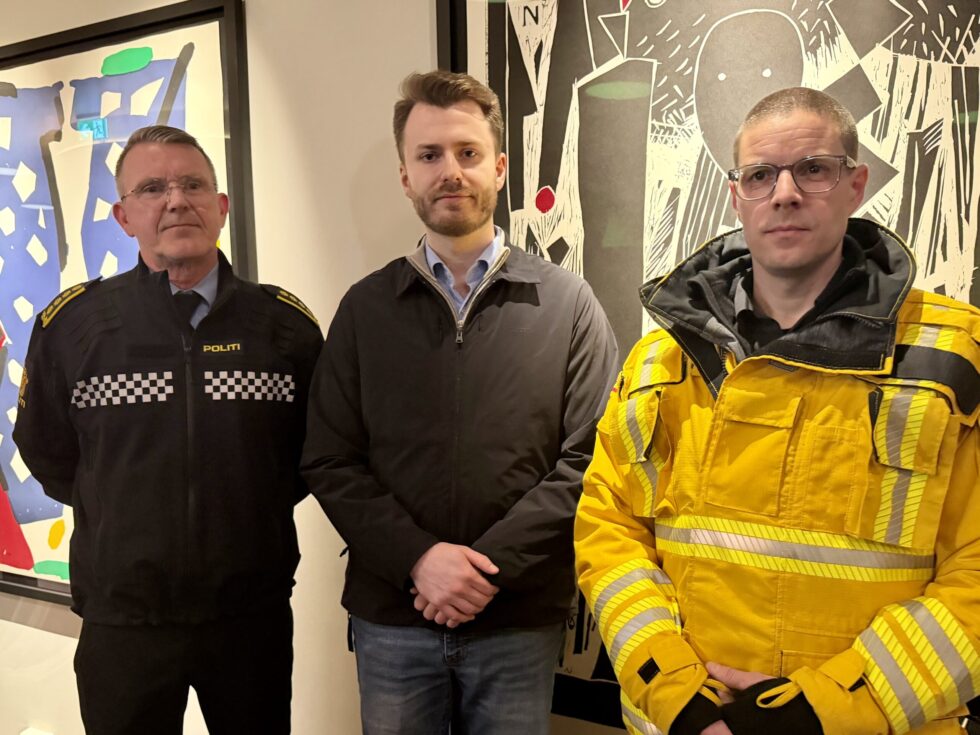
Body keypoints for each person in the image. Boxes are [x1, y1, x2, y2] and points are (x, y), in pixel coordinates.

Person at [574, 87, 980, 735]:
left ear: (855, 183)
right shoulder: (659, 362)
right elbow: (610, 533)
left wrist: (822, 711)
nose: (785, 192)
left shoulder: (953, 358)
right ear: (737, 196)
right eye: (761, 174)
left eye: (813, 169)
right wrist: (676, 690)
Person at [301, 70, 618, 734]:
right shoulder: (364, 309)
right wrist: (422, 559)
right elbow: (330, 459)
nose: (451, 171)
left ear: (499, 168)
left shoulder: (567, 304)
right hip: (393, 619)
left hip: (516, 621)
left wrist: (482, 571)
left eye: (468, 154)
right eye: (429, 156)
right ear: (405, 177)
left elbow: (590, 460)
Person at [13, 125, 323, 735]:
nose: (176, 200)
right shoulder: (73, 326)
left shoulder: (284, 327)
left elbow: (312, 455)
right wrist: (120, 510)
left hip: (250, 619)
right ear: (123, 215)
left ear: (221, 208)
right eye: (152, 188)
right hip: (123, 624)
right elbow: (46, 450)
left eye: (193, 185)